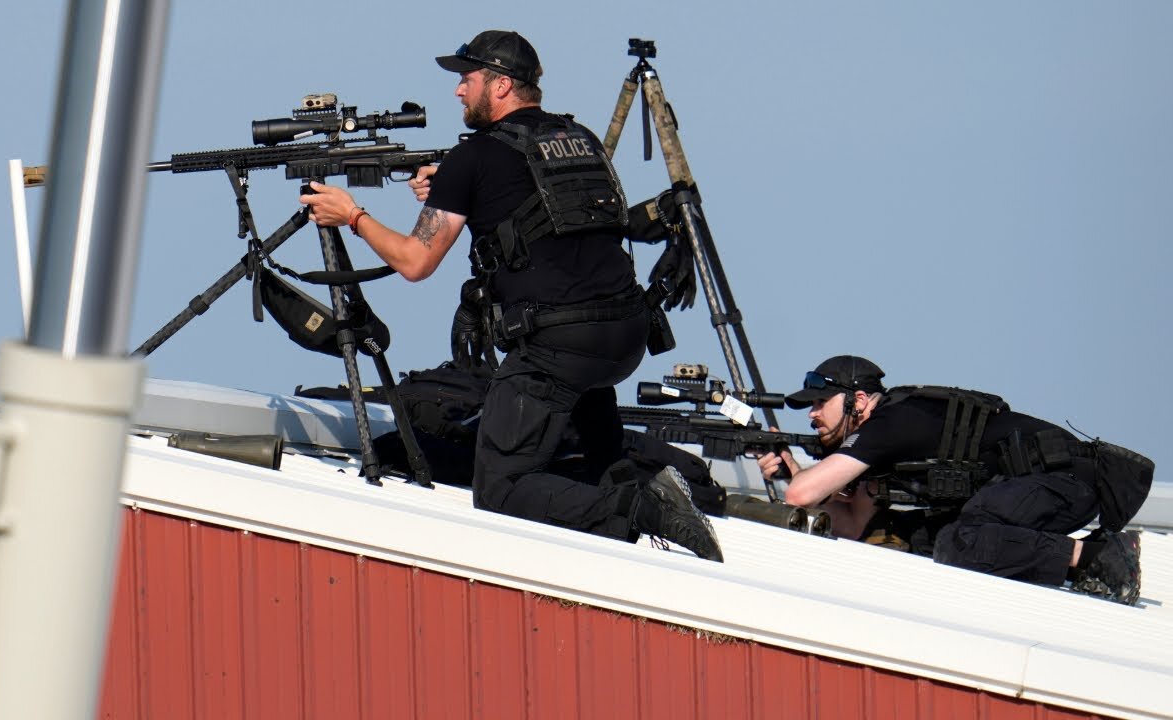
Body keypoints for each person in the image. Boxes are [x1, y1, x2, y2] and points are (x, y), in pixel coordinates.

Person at [300, 30, 722, 562]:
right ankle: (644, 492)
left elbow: (415, 261)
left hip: (557, 344)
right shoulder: (580, 138)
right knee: (595, 457)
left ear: (500, 86)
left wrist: (352, 216)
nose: (457, 91)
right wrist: (457, 189)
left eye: (466, 79)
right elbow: (542, 209)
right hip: (624, 332)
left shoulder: (473, 158)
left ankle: (647, 511)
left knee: (500, 489)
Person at [757, 355, 1147, 604]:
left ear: (858, 401)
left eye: (819, 403)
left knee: (962, 540)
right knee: (913, 533)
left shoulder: (889, 424)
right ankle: (1082, 557)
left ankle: (1098, 558)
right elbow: (857, 524)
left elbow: (800, 493)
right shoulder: (885, 437)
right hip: (1039, 488)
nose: (812, 414)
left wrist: (798, 476)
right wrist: (801, 478)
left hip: (1065, 479)